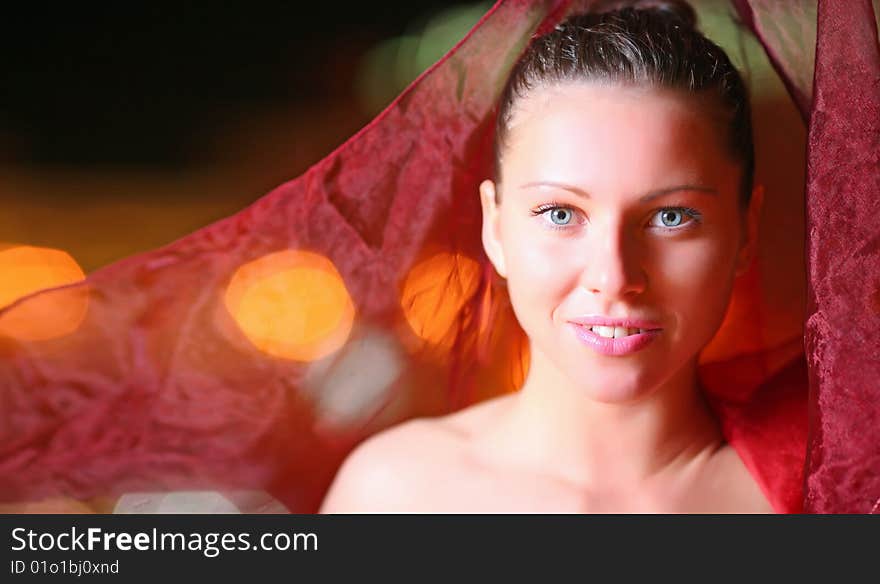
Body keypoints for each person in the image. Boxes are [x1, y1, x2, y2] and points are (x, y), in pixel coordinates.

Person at [320, 1, 776, 513]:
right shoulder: (395, 496)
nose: (614, 277)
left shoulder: (829, 486)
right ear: (495, 227)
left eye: (671, 217)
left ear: (746, 232)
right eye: (560, 213)